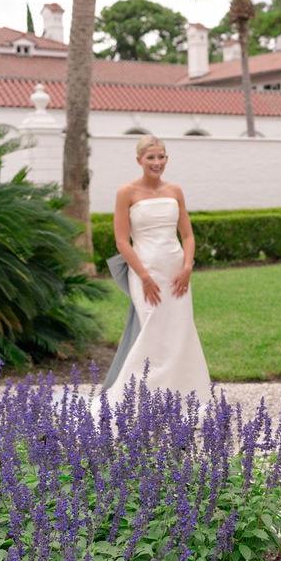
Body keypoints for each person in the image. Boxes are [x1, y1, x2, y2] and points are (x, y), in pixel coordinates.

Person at [100, 135, 211, 412]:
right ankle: (137, 403)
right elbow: (122, 242)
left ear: (166, 159)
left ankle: (184, 399)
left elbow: (187, 235)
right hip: (145, 272)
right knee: (151, 329)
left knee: (180, 330)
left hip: (176, 273)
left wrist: (187, 267)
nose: (157, 162)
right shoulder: (126, 192)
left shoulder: (175, 190)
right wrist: (145, 277)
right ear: (139, 160)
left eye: (161, 156)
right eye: (151, 157)